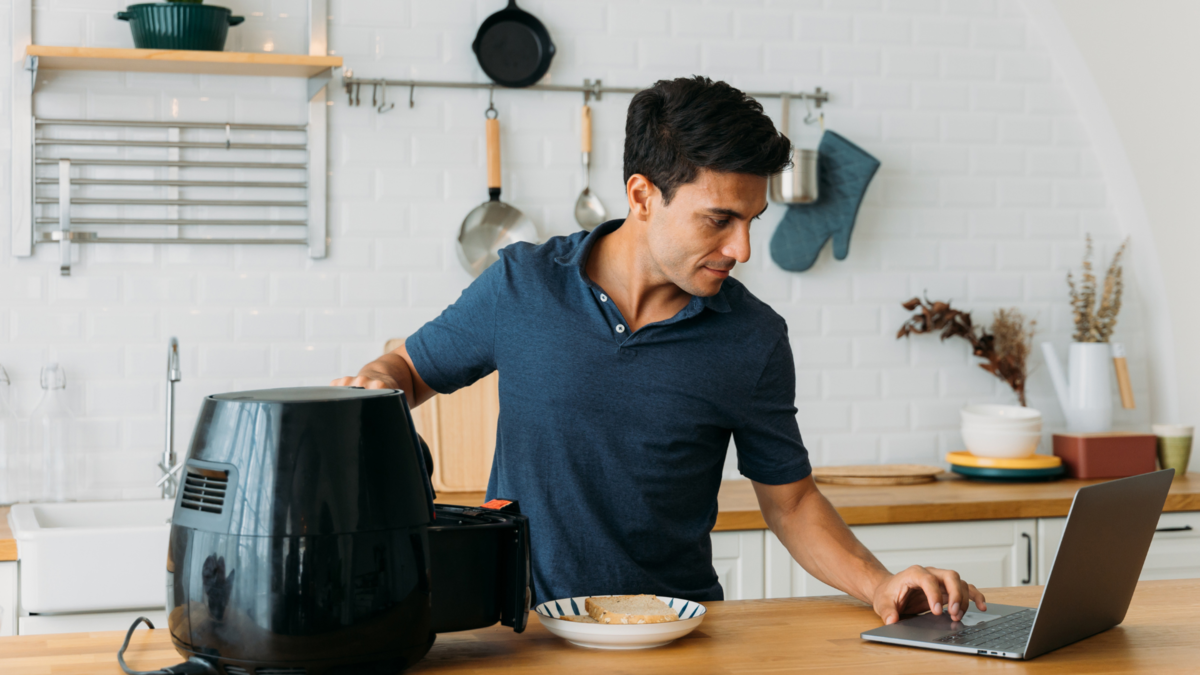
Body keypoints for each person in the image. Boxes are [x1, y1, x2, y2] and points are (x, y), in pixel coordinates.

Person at [333, 76, 986, 625]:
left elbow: (790, 502)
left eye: (752, 220)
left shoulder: (752, 337)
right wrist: (375, 382)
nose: (743, 250)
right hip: (525, 632)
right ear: (643, 195)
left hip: (673, 635)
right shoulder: (521, 285)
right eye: (719, 219)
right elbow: (411, 370)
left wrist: (878, 583)